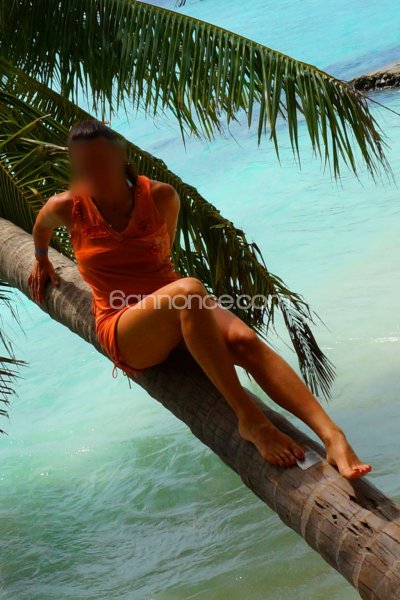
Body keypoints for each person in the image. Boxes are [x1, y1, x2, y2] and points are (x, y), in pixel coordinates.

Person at [28, 119, 372, 479]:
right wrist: (41, 259)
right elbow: (41, 227)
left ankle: (333, 436)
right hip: (124, 325)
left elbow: (163, 255)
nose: (93, 173)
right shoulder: (69, 206)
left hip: (176, 305)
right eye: (84, 166)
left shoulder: (160, 196)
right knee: (190, 290)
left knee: (243, 339)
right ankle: (250, 419)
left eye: (100, 162)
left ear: (119, 156)